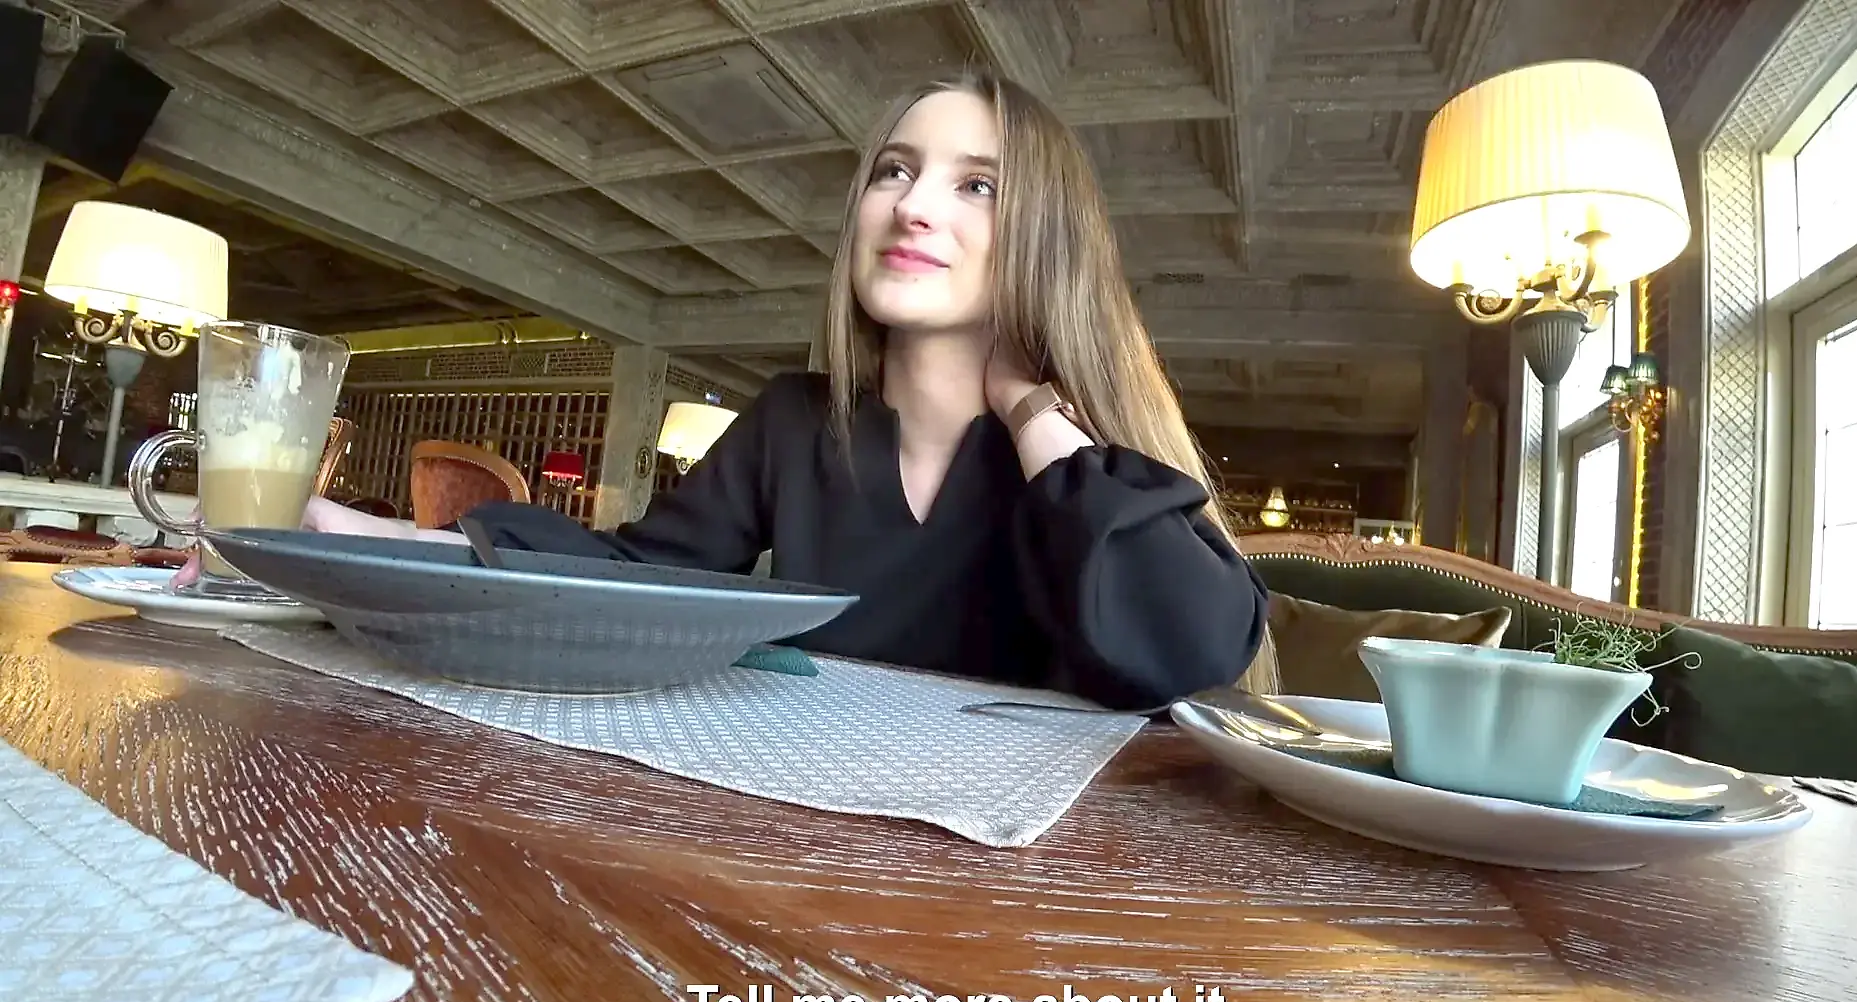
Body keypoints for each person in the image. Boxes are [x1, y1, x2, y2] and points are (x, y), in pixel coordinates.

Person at [299, 71, 1278, 710]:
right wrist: (397, 541)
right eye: (894, 171)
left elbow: (1193, 655)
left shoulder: (1085, 471)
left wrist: (1032, 412)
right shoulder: (794, 420)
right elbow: (641, 572)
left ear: (1047, 240)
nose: (913, 205)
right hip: (806, 827)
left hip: (1026, 881)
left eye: (978, 184)